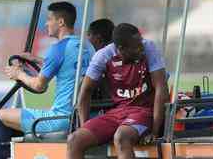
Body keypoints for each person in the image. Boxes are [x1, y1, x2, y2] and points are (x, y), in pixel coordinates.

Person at [0, 1, 95, 159]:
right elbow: (68, 65)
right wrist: (37, 60)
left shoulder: (58, 48)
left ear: (60, 22)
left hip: (60, 119)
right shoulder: (86, 47)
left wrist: (19, 74)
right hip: (83, 115)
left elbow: (39, 85)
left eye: (49, 19)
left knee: (0, 116)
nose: (46, 24)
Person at [67, 23, 169, 159]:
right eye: (136, 47)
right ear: (121, 49)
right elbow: (85, 91)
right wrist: (86, 127)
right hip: (117, 112)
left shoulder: (148, 47)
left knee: (121, 137)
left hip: (143, 111)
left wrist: (155, 132)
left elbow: (161, 88)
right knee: (75, 139)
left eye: (141, 44)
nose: (141, 49)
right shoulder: (103, 56)